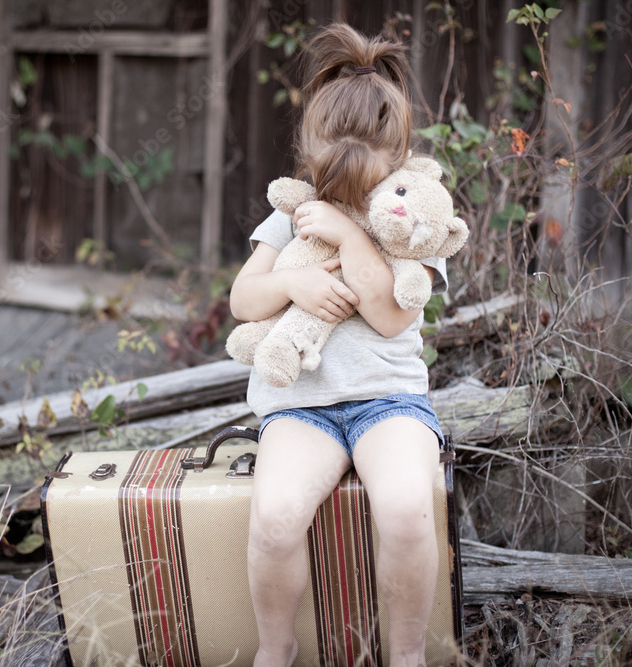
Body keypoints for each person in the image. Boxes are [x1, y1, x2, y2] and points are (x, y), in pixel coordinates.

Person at [229, 23, 449, 667]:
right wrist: (293, 280)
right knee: (274, 518)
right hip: (301, 404)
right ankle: (278, 649)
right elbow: (243, 304)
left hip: (388, 403)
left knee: (407, 510)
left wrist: (351, 239)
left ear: (400, 150)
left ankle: (404, 654)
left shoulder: (412, 211)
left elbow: (390, 318)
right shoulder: (291, 212)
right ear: (309, 146)